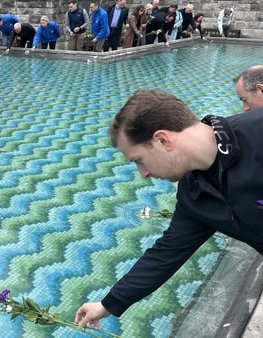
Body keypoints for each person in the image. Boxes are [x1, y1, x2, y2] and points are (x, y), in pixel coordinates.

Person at [74, 88, 263, 330]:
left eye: (139, 160)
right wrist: (108, 304)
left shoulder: (258, 132)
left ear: (163, 140)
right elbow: (166, 253)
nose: (143, 174)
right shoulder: (194, 193)